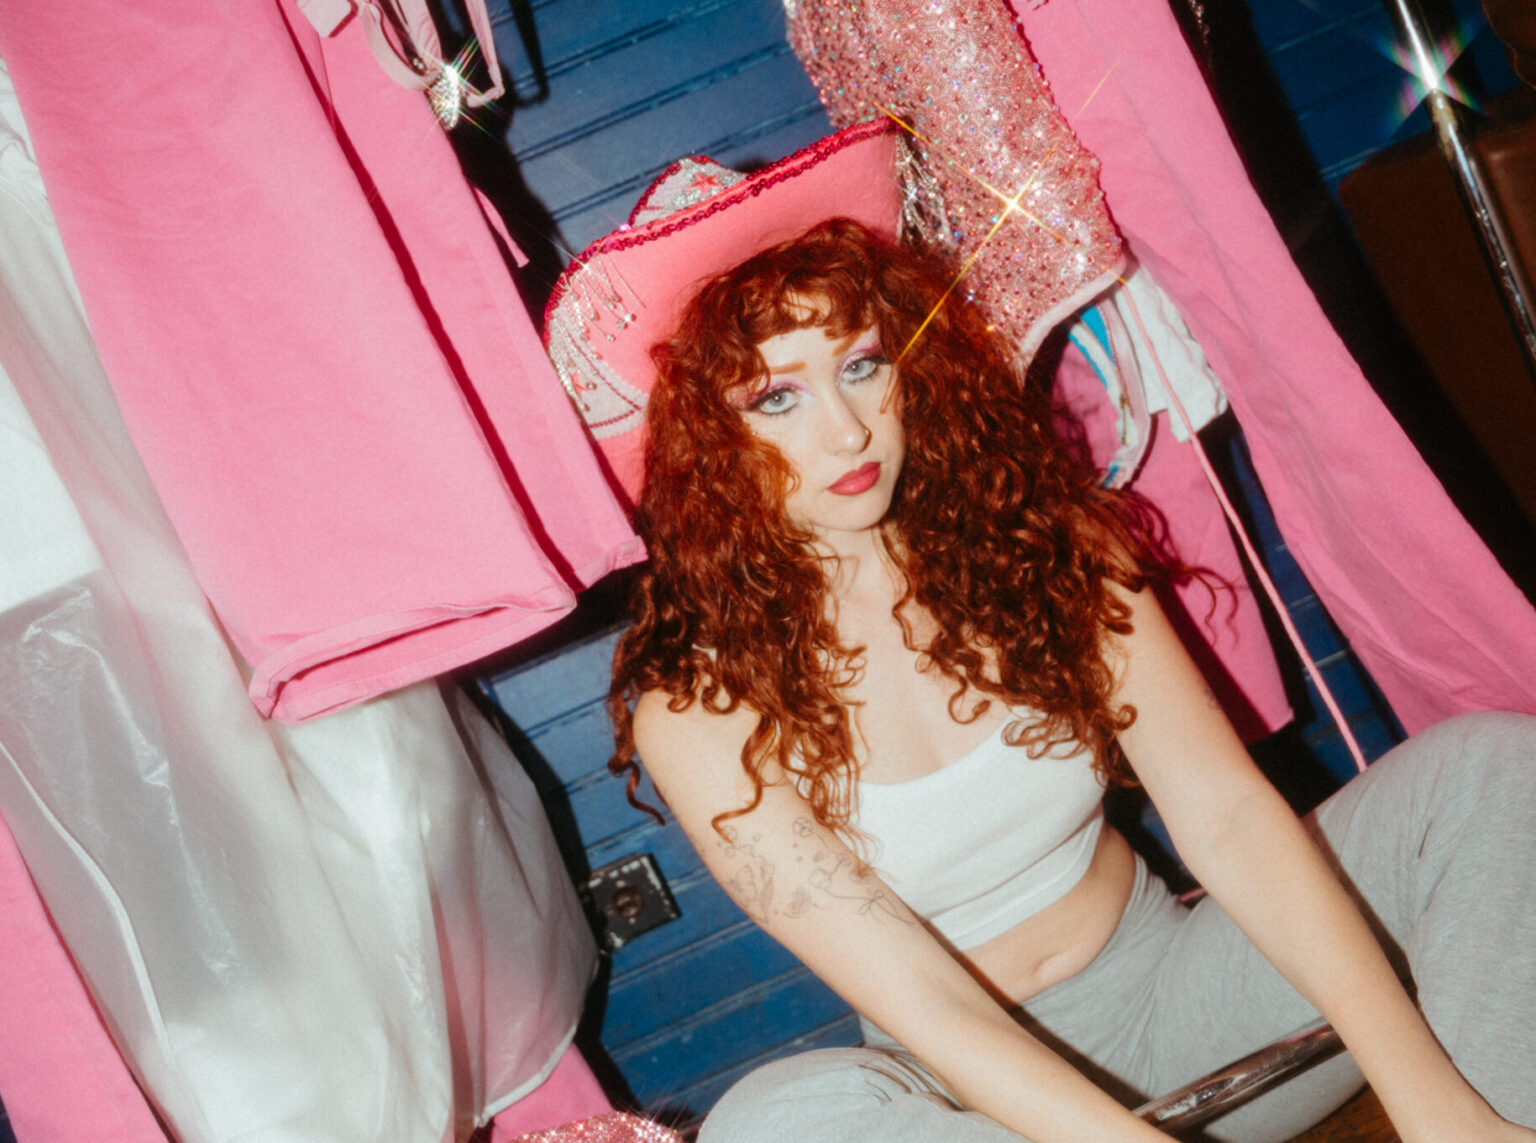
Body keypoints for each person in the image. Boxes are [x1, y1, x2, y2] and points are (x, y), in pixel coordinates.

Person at [545, 121, 1536, 1142]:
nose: (845, 431)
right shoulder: (697, 709)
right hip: (983, 1111)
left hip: (1202, 1015)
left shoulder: (1040, 544)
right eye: (776, 398)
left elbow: (1228, 816)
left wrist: (1426, 1096)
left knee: (1497, 774)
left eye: (859, 365)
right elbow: (928, 1007)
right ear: (705, 438)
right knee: (773, 1122)